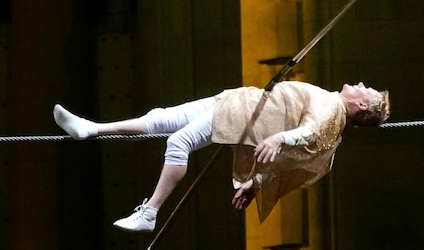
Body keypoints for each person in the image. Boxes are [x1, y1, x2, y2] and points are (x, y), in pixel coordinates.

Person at [52, 81, 389, 233]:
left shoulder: (331, 111)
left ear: (361, 105)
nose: (360, 84)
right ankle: (89, 128)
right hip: (237, 102)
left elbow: (309, 133)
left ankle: (150, 212)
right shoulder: (334, 120)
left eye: (366, 90)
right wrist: (255, 183)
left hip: (243, 116)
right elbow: (295, 161)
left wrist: (278, 137)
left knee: (178, 142)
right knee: (160, 118)